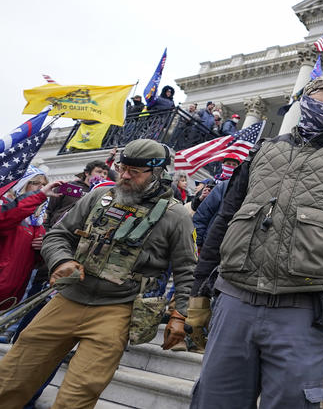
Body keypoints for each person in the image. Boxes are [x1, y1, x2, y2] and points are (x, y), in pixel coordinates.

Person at [188, 75, 323, 409]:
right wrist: (198, 295)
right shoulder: (259, 155)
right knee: (214, 400)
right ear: (307, 97)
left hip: (306, 312)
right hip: (235, 301)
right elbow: (223, 223)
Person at [0, 139, 197, 408]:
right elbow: (58, 235)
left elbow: (187, 269)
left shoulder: (176, 216)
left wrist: (179, 314)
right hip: (67, 298)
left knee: (78, 395)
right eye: (122, 167)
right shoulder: (97, 196)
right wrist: (62, 261)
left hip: (117, 310)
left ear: (157, 173)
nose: (124, 175)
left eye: (134, 172)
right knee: (11, 377)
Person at [0, 167, 62, 312]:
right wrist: (39, 196)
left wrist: (43, 247)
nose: (42, 187)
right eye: (36, 183)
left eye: (44, 184)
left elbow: (34, 261)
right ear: (23, 184)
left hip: (13, 296)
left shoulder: (37, 222)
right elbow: (8, 217)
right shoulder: (5, 206)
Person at [45, 160, 108, 228]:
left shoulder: (102, 194)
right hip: (57, 229)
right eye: (99, 172)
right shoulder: (68, 186)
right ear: (87, 173)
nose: (102, 175)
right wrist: (45, 229)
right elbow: (48, 209)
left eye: (105, 174)